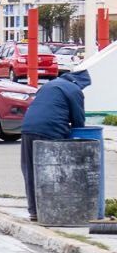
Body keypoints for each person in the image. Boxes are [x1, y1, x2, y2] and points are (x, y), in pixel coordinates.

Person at [20, 70, 92, 222]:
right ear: (80, 83)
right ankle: (51, 210)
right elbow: (79, 120)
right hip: (51, 130)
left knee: (30, 169)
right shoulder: (74, 90)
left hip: (28, 128)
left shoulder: (49, 85)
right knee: (52, 171)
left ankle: (34, 211)